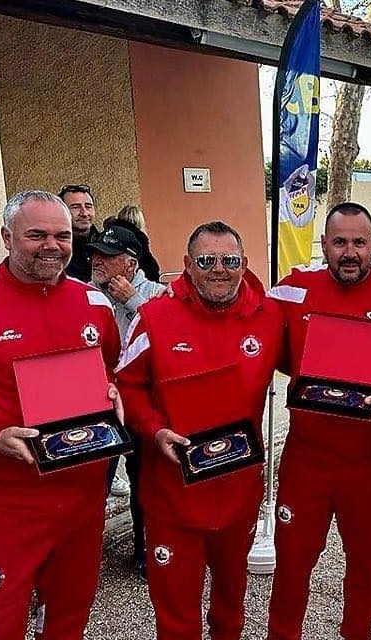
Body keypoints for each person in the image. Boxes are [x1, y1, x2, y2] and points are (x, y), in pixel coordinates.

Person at [0, 190, 122, 639]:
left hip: (82, 499)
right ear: (6, 237)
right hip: (4, 503)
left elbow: (111, 373)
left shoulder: (94, 303)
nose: (52, 245)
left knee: (68, 622)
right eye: (36, 235)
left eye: (62, 235)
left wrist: (114, 392)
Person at [115, 221, 284, 640]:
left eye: (229, 260)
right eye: (206, 260)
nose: (218, 270)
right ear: (188, 265)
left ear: (244, 264)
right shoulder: (153, 318)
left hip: (239, 492)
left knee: (230, 610)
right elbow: (125, 387)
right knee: (176, 619)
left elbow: (316, 366)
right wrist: (154, 430)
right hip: (173, 497)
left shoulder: (271, 317)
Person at [266, 202, 371, 640]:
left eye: (359, 242)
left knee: (363, 563)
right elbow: (256, 335)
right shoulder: (292, 292)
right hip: (305, 460)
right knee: (293, 562)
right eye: (340, 243)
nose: (350, 252)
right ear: (324, 245)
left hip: (367, 463)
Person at [88, 224, 165, 576]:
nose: (96, 261)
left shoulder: (160, 296)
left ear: (131, 264)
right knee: (92, 483)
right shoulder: (87, 296)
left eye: (107, 256)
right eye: (95, 254)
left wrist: (133, 302)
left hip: (139, 404)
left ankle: (146, 549)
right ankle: (82, 555)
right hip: (97, 404)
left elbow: (169, 340)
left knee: (144, 482)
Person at [105, 204, 161, 282]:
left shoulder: (109, 234)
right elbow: (148, 265)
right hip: (134, 282)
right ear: (139, 221)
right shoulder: (139, 239)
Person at [59, 184, 101, 282]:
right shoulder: (56, 249)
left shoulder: (108, 247)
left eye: (88, 206)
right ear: (61, 211)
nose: (84, 213)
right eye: (75, 207)